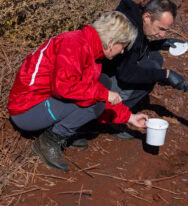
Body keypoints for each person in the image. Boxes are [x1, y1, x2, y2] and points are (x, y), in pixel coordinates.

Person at [7, 11, 149, 172]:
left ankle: (64, 131)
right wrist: (104, 95)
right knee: (96, 100)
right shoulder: (74, 46)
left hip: (41, 102)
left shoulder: (87, 45)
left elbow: (85, 87)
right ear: (111, 42)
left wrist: (129, 117)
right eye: (122, 47)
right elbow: (64, 88)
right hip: (26, 111)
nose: (122, 52)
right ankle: (49, 141)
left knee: (102, 83)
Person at [102, 0, 188, 139]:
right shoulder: (131, 30)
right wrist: (165, 74)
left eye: (165, 31)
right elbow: (127, 74)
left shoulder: (134, 15)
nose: (162, 34)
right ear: (147, 17)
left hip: (110, 72)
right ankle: (110, 116)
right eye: (161, 29)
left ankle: (110, 112)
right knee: (149, 76)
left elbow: (133, 52)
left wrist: (159, 44)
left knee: (155, 58)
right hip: (99, 81)